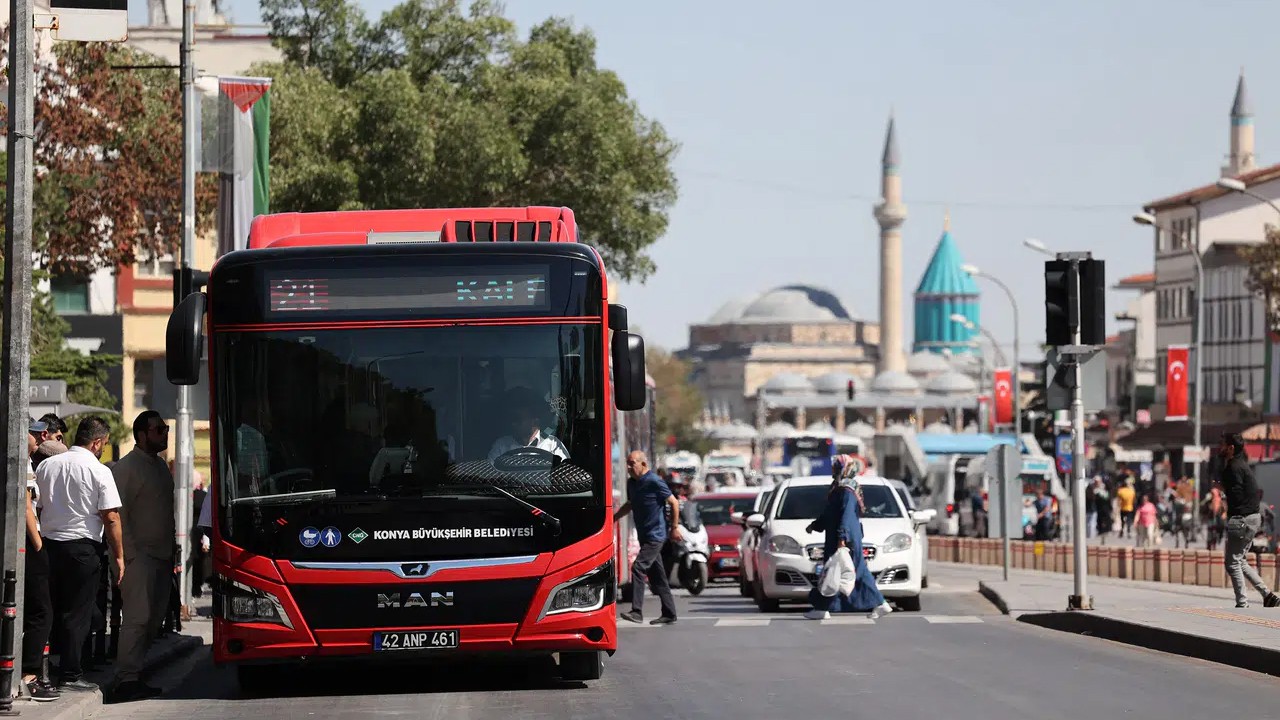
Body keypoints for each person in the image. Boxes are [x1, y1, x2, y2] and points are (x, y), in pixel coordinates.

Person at [35, 416, 123, 693]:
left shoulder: (47, 465)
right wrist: (119, 556)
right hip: (83, 549)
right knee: (77, 613)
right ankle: (71, 674)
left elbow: (36, 506)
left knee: (48, 611)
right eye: (104, 444)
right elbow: (110, 517)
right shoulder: (98, 471)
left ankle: (40, 669)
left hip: (47, 546)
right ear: (97, 442)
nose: (103, 449)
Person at [109, 411, 175, 702]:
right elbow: (116, 514)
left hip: (161, 557)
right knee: (137, 618)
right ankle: (127, 679)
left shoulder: (160, 467)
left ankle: (136, 672)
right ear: (142, 434)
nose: (164, 434)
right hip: (138, 557)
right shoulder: (126, 468)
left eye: (166, 428)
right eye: (159, 429)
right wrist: (129, 555)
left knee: (154, 619)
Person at [804, 462, 892, 620]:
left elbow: (846, 514)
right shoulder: (839, 487)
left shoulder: (846, 490)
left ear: (845, 469)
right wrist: (816, 525)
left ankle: (823, 607)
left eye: (836, 467)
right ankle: (823, 608)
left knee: (837, 571)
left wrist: (842, 538)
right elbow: (831, 513)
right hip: (841, 536)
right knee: (837, 571)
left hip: (844, 538)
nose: (833, 470)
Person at [614, 451, 679, 625]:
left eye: (632, 463)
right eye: (627, 463)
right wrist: (613, 518)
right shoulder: (631, 483)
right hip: (644, 535)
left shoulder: (654, 481)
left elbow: (674, 502)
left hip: (655, 536)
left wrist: (674, 528)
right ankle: (669, 613)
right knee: (658, 577)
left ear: (643, 464)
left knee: (638, 568)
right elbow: (630, 504)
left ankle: (637, 611)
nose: (628, 467)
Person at [1216, 433, 1280, 608]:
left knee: (1232, 563)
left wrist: (1223, 493)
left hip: (1242, 518)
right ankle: (1268, 595)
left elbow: (1235, 495)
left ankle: (1242, 603)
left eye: (1223, 445)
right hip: (1252, 517)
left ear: (1231, 448)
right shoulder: (1241, 466)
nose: (1220, 448)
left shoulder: (1233, 468)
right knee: (1240, 560)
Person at [22, 420, 58, 702]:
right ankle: (29, 676)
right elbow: (26, 509)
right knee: (40, 611)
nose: (42, 437)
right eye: (37, 433)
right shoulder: (21, 461)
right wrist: (39, 546)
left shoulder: (29, 462)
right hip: (28, 544)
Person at [487, 387, 568, 462]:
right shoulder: (501, 446)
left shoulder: (552, 444)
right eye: (511, 418)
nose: (513, 423)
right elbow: (490, 474)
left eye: (517, 419)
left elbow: (567, 474)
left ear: (535, 420)